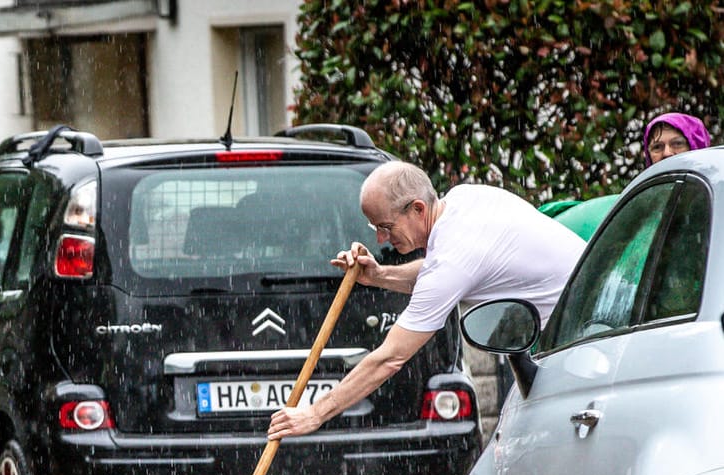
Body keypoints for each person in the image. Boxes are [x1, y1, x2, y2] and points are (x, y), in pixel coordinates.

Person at [267, 161, 586, 443]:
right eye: (375, 227)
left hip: (581, 347)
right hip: (588, 325)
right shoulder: (463, 201)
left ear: (418, 209)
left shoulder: (452, 258)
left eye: (385, 227)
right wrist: (379, 276)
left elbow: (389, 358)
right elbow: (443, 271)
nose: (380, 239)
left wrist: (315, 414)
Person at [546, 112, 713, 240]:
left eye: (677, 144)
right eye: (657, 147)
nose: (667, 153)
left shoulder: (715, 198)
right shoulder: (638, 207)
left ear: (697, 147)